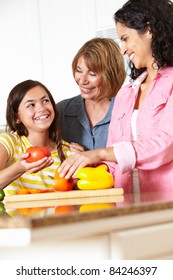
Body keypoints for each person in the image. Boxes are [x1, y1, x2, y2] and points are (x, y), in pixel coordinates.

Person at [58, 0, 173, 194]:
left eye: (125, 38)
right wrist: (81, 169)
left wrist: (99, 153)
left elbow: (165, 144)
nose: (123, 49)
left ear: (149, 30)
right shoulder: (126, 94)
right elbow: (113, 165)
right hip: (126, 206)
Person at [0, 80, 71, 194]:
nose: (42, 108)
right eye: (31, 105)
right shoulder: (9, 143)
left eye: (45, 101)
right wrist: (20, 168)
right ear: (16, 117)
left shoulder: (68, 151)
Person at [57, 37, 126, 152]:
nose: (82, 80)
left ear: (110, 75)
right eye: (79, 71)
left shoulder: (126, 112)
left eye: (92, 74)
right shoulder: (60, 111)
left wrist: (89, 159)